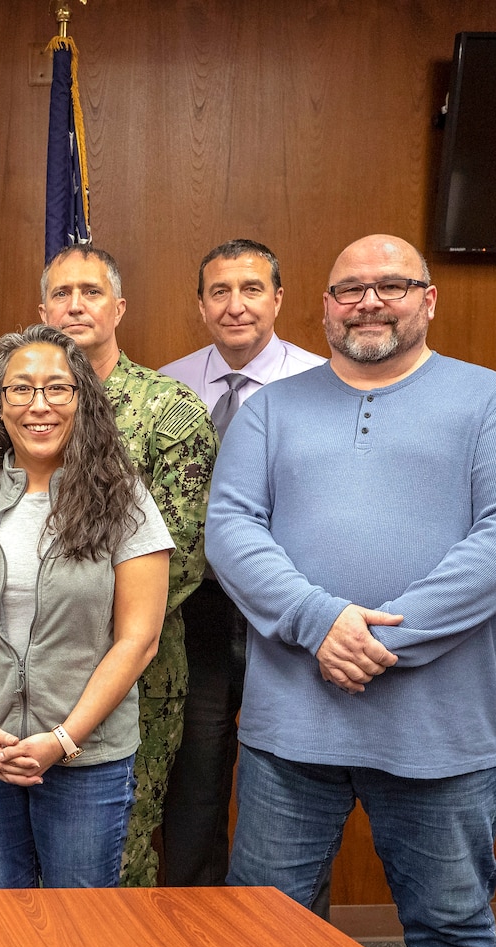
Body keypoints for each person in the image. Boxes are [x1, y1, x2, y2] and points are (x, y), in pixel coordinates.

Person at [210, 234, 496, 947]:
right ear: (324, 308)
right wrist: (319, 621)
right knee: (263, 930)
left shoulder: (491, 402)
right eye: (348, 290)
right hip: (290, 734)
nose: (368, 301)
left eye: (391, 285)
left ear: (428, 300)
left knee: (449, 929)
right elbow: (231, 529)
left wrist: (380, 641)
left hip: (439, 734)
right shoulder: (270, 412)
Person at [0, 324, 170, 888]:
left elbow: (139, 638)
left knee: (81, 926)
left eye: (57, 388)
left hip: (87, 757)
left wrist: (62, 740)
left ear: (82, 401)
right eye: (20, 389)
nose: (39, 405)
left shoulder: (126, 502)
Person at [39, 243, 217, 887]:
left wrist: (93, 633)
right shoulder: (22, 406)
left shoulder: (168, 412)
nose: (76, 305)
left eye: (90, 292)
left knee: (119, 848)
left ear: (119, 307)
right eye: (62, 293)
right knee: (28, 850)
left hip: (135, 672)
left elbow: (186, 554)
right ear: (43, 310)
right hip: (26, 669)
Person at [158, 239, 324, 888]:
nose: (236, 306)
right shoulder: (167, 386)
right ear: (201, 305)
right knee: (192, 785)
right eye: (220, 292)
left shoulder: (321, 385)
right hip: (193, 610)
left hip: (283, 611)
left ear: (278, 299)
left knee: (285, 784)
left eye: (252, 289)